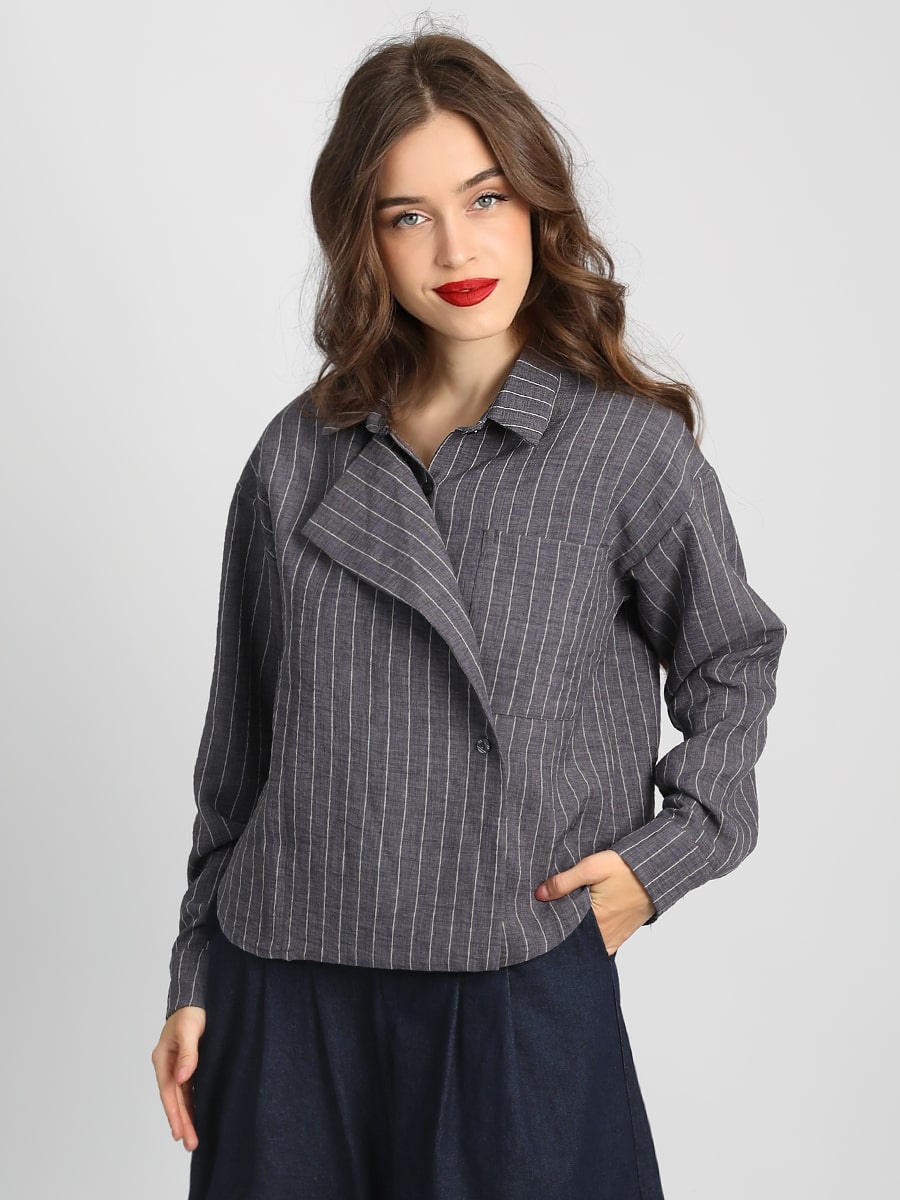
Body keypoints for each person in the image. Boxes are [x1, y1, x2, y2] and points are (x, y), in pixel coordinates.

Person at [151, 23, 787, 1200]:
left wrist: (669, 854)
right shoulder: (297, 454)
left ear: (537, 202)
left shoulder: (624, 450)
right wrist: (194, 972)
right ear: (363, 240)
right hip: (285, 986)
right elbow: (238, 753)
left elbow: (734, 659)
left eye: (486, 197)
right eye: (409, 216)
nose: (458, 248)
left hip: (513, 974)